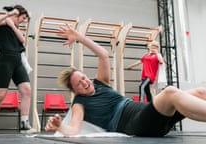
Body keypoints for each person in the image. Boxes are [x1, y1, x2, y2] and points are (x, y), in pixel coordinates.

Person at [45, 24, 206, 137]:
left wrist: (80, 37)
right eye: (79, 83)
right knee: (170, 92)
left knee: (200, 92)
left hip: (150, 113)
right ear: (75, 91)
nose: (85, 82)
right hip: (135, 124)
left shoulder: (100, 83)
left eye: (84, 78)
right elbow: (73, 129)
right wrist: (60, 127)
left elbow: (103, 54)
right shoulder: (80, 103)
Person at [0, 5, 36, 134]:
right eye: (22, 17)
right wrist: (8, 16)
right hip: (5, 60)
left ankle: (24, 124)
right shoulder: (4, 21)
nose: (23, 20)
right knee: (0, 95)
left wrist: (13, 26)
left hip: (17, 60)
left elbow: (23, 40)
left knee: (27, 90)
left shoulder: (15, 27)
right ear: (16, 14)